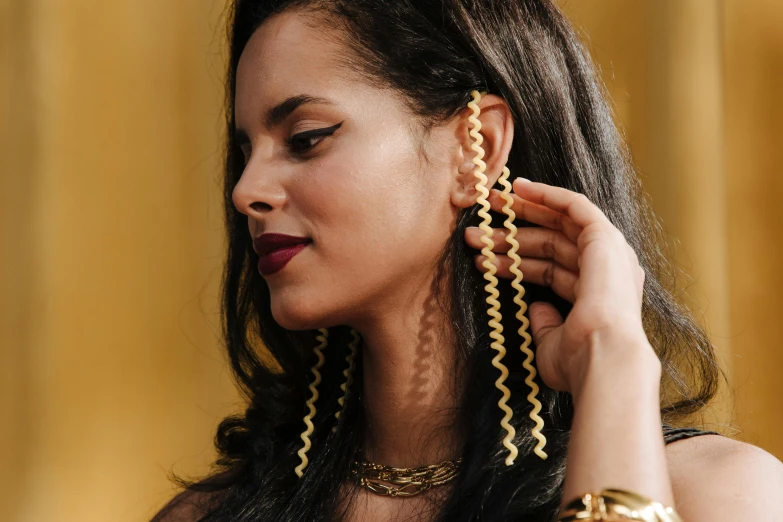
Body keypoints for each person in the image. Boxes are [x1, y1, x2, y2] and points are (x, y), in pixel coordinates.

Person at [152, 0, 783, 520]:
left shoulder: (720, 496)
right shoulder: (213, 515)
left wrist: (612, 366)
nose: (245, 191)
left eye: (305, 139)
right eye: (245, 152)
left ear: (473, 144)